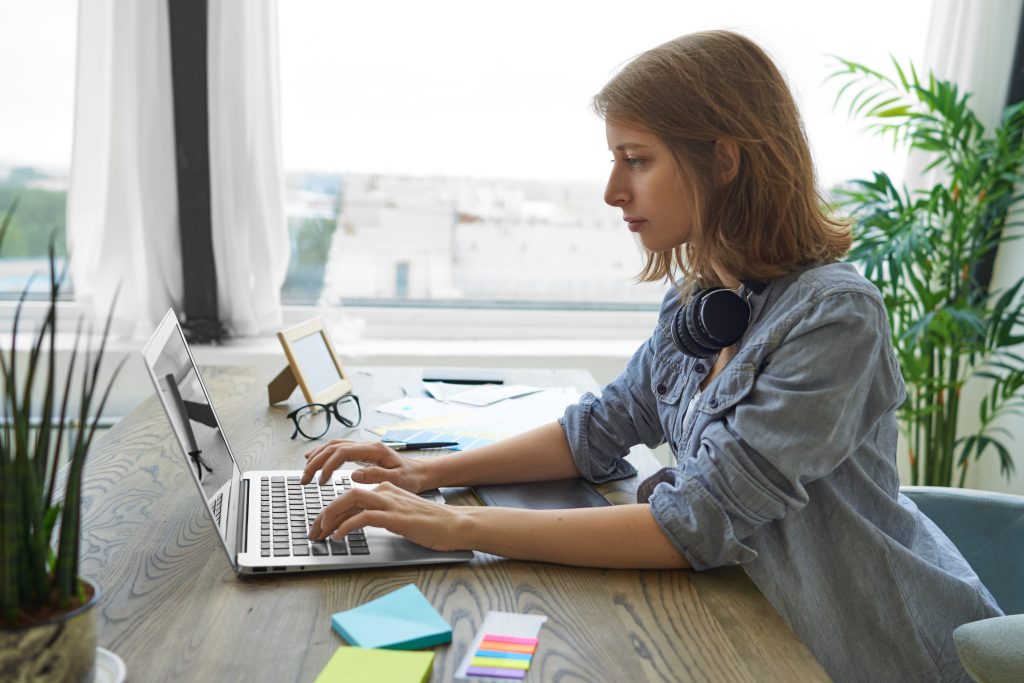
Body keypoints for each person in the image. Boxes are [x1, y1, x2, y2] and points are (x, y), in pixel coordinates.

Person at [301, 30, 1002, 682]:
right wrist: (430, 473)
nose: (613, 191)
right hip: (748, 623)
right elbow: (598, 428)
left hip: (866, 652)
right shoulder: (699, 302)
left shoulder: (835, 318)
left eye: (636, 160)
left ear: (723, 161)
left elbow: (695, 520)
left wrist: (460, 525)